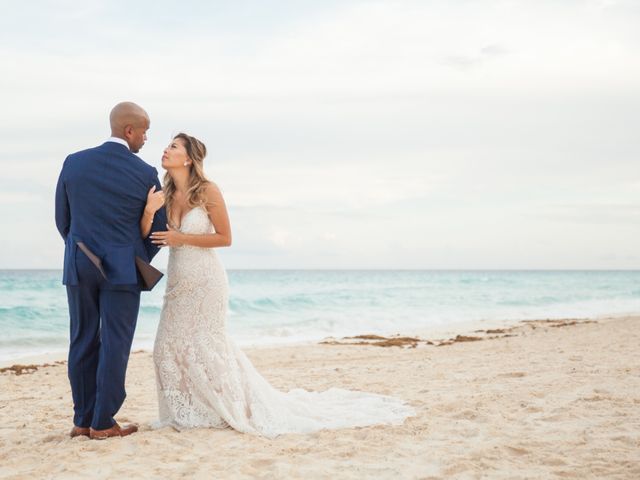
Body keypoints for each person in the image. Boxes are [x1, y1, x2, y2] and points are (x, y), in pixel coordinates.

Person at [145, 133, 415, 437]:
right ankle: (186, 411)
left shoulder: (208, 190)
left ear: (189, 158)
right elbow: (148, 235)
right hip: (179, 280)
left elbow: (224, 238)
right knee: (167, 347)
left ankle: (222, 408)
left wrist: (181, 238)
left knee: (208, 346)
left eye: (173, 147)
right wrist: (148, 210)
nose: (165, 150)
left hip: (207, 281)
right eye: (167, 146)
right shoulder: (163, 194)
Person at [55, 102, 167, 440]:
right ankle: (103, 421)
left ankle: (81, 420)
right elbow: (159, 232)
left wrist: (77, 248)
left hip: (78, 262)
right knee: (115, 344)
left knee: (82, 340)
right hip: (122, 269)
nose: (147, 138)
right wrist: (136, 257)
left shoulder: (73, 163)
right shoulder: (145, 173)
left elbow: (63, 219)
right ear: (128, 130)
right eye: (144, 131)